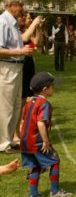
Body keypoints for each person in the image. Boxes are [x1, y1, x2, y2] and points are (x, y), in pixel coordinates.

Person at [20, 72, 73, 197]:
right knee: (55, 160)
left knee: (36, 165)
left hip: (25, 141)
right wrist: (45, 141)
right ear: (45, 89)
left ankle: (33, 194)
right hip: (37, 141)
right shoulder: (44, 104)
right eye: (52, 86)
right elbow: (40, 123)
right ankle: (55, 192)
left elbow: (23, 120)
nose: (53, 88)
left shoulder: (29, 102)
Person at [0, 0, 36, 154]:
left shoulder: (12, 23)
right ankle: (3, 143)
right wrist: (20, 51)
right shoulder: (3, 22)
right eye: (19, 5)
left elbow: (20, 40)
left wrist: (23, 50)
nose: (21, 8)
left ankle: (10, 140)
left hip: (17, 67)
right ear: (10, 5)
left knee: (15, 106)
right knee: (6, 106)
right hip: (7, 67)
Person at [13, 12, 44, 143]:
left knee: (24, 99)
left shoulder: (26, 30)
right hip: (20, 66)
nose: (30, 20)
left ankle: (19, 129)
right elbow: (22, 39)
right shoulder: (16, 30)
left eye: (31, 18)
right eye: (28, 18)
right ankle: (15, 134)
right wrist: (34, 24)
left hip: (29, 65)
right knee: (18, 102)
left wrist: (38, 27)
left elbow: (38, 42)